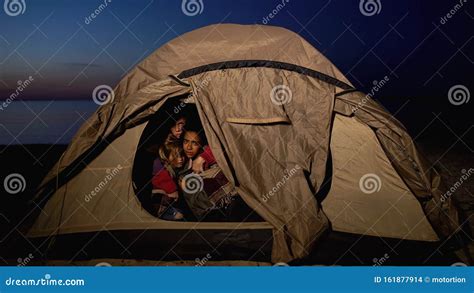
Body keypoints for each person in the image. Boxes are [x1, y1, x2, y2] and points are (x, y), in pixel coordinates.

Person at [179, 127, 235, 221]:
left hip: (233, 202)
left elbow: (228, 147)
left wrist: (203, 157)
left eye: (194, 143)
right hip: (211, 216)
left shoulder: (211, 153)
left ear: (201, 144)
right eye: (186, 142)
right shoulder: (184, 171)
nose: (189, 147)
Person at [151, 140, 185, 220]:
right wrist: (174, 191)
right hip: (160, 204)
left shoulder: (174, 169)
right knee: (179, 215)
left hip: (169, 202)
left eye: (182, 155)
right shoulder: (163, 171)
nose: (180, 159)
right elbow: (174, 193)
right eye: (175, 156)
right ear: (167, 157)